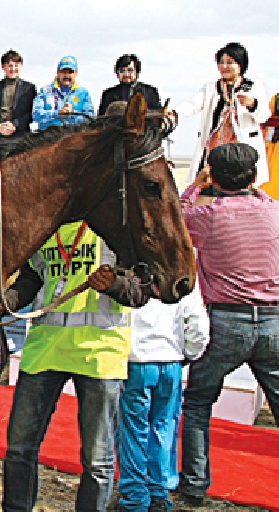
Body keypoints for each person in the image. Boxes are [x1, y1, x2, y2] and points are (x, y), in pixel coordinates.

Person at [2, 221, 149, 511]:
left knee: (97, 462)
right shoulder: (47, 225)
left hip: (100, 355)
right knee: (19, 450)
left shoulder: (115, 226)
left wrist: (114, 284)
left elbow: (141, 292)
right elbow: (28, 284)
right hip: (45, 350)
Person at [177, 142, 279, 507]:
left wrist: (195, 187)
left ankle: (193, 484)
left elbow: (175, 217)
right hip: (274, 320)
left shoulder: (207, 216)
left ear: (214, 179)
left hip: (224, 320)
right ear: (253, 177)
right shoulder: (274, 212)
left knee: (199, 403)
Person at [115, 286, 208, 512]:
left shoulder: (129, 269)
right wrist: (190, 352)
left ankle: (135, 497)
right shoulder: (182, 273)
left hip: (136, 360)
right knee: (164, 428)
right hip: (170, 360)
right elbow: (198, 324)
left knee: (132, 432)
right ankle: (159, 491)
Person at [170, 42, 272, 187]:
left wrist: (252, 104)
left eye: (230, 62)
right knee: (208, 186)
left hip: (242, 151)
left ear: (241, 65)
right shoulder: (212, 88)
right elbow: (193, 104)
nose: (224, 66)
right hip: (216, 147)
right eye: (221, 62)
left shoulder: (253, 86)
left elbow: (264, 116)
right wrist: (174, 113)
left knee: (242, 185)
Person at [0, 49, 37, 145]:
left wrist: (15, 124)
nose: (13, 69)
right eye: (10, 65)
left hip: (20, 137)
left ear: (21, 66)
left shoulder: (29, 88)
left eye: (16, 65)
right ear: (3, 67)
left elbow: (32, 113)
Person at [32, 55, 95, 131]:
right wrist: (58, 113)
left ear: (76, 73)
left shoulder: (83, 93)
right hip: (48, 135)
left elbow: (90, 118)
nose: (66, 75)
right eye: (63, 71)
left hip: (73, 136)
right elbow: (36, 115)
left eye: (70, 72)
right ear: (58, 72)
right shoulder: (45, 91)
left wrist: (73, 113)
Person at [98, 54, 162, 116]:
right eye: (122, 71)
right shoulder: (108, 94)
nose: (126, 74)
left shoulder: (150, 92)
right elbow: (101, 120)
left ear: (137, 72)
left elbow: (157, 116)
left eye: (130, 70)